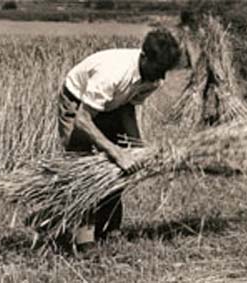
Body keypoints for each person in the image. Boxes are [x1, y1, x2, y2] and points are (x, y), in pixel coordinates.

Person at [57, 28, 181, 253]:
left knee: (116, 171)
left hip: (113, 104)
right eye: (157, 69)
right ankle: (82, 239)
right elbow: (82, 121)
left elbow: (128, 109)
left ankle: (108, 228)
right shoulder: (112, 74)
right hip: (78, 103)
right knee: (82, 169)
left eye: (164, 71)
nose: (161, 78)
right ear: (144, 57)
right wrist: (117, 152)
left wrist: (136, 148)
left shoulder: (154, 78)